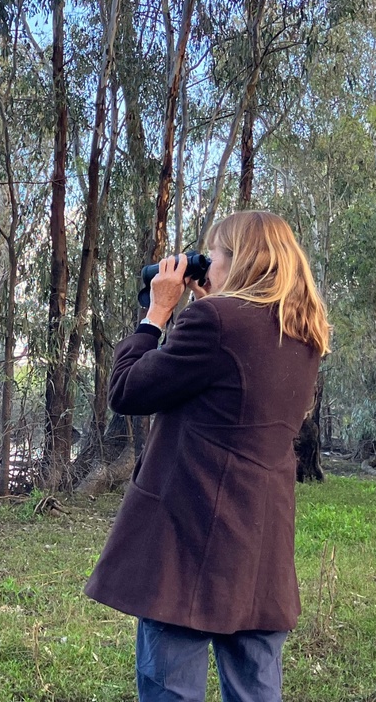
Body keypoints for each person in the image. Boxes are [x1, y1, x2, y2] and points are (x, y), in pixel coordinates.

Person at [85, 210, 331, 702]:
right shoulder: (304, 332)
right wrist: (211, 303)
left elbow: (127, 390)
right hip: (261, 540)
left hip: (189, 536)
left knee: (171, 686)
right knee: (256, 687)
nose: (205, 262)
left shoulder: (215, 321)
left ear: (239, 260)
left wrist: (155, 315)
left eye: (213, 253)